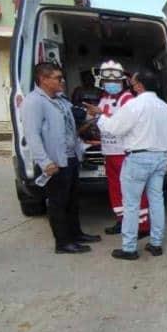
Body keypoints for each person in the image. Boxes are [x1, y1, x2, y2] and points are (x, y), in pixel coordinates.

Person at [84, 72, 167, 260]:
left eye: (132, 84)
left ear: (140, 85)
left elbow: (114, 128)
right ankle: (156, 244)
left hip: (138, 159)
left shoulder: (135, 105)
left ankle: (129, 248)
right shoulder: (165, 107)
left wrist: (99, 116)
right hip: (159, 158)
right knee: (156, 201)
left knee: (131, 205)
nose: (131, 87)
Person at [21, 62, 101, 254]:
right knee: (58, 203)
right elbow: (32, 135)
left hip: (70, 157)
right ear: (43, 79)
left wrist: (91, 117)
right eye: (57, 78)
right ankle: (63, 243)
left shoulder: (60, 100)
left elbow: (71, 123)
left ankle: (76, 234)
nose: (62, 81)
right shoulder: (34, 102)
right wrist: (45, 162)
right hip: (54, 161)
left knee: (72, 200)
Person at [94, 61, 150, 237]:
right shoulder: (104, 98)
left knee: (133, 189)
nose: (111, 84)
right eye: (107, 80)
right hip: (109, 151)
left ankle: (143, 225)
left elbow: (125, 123)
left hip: (124, 152)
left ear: (123, 81)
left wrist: (101, 114)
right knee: (115, 188)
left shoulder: (127, 99)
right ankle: (122, 220)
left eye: (115, 80)